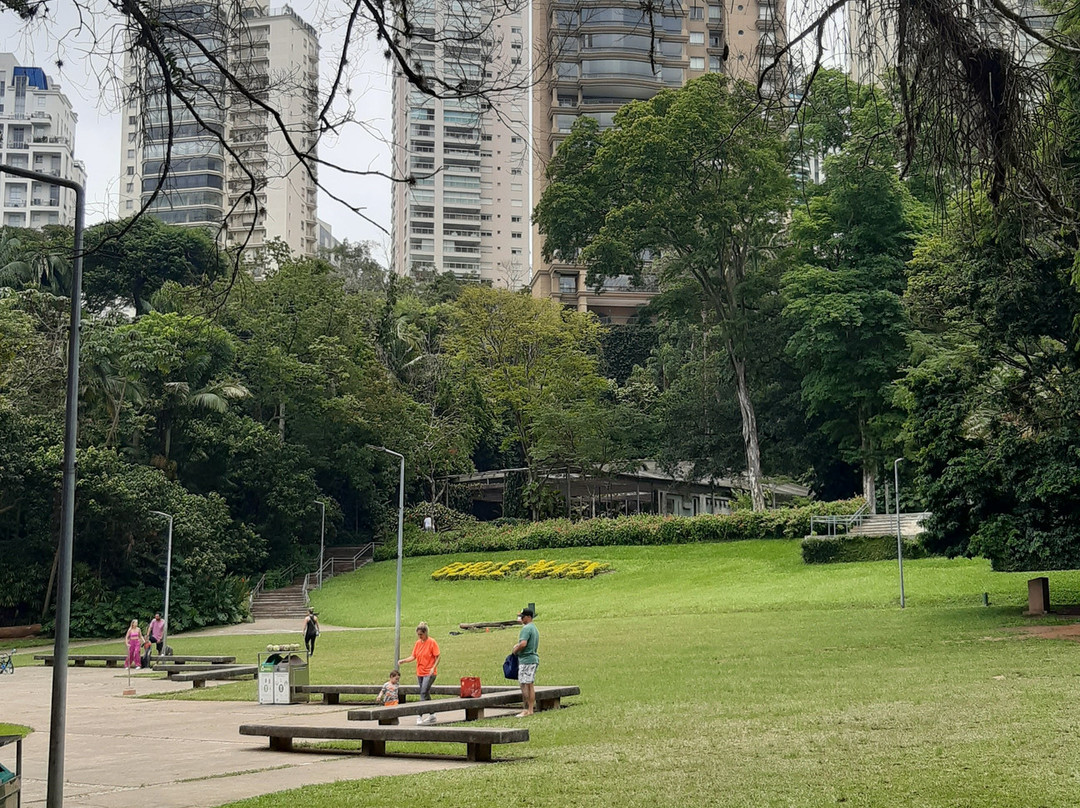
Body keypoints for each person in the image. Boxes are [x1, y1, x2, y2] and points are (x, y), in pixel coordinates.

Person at [398, 621, 440, 724]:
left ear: (425, 633)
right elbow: (414, 656)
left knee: (423, 692)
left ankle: (419, 715)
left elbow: (438, 656)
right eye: (418, 635)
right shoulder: (417, 643)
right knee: (426, 693)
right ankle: (432, 714)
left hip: (430, 673)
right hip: (420, 672)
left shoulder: (432, 642)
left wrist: (433, 667)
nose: (419, 636)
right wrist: (404, 660)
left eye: (421, 634)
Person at [511, 607, 539, 716]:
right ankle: (531, 709)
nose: (521, 619)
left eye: (522, 617)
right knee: (530, 684)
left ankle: (526, 710)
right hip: (533, 659)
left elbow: (523, 644)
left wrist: (515, 651)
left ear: (528, 617)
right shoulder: (534, 628)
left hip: (526, 660)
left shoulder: (526, 629)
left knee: (524, 684)